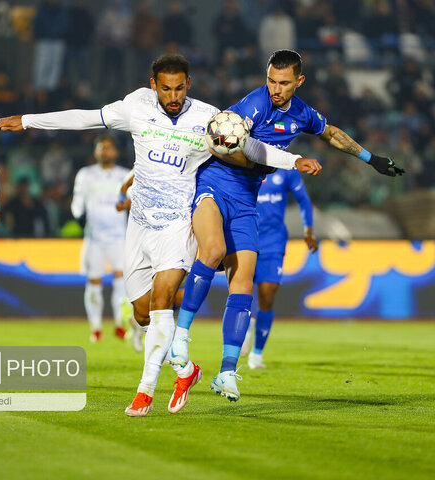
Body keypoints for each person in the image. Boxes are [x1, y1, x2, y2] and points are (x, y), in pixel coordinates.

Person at [0, 53, 321, 417]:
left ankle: (144, 392)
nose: (174, 95)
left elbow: (248, 146)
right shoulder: (135, 106)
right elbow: (86, 119)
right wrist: (26, 120)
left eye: (180, 87)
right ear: (154, 86)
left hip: (179, 223)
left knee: (164, 298)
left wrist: (293, 161)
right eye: (166, 88)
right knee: (143, 314)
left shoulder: (207, 118)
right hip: (140, 224)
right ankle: (186, 369)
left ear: (188, 85)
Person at [169, 49, 403, 402]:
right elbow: (225, 147)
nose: (275, 89)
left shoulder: (302, 113)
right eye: (271, 81)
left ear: (299, 82)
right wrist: (285, 162)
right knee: (214, 250)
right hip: (215, 185)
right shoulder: (253, 105)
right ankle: (179, 338)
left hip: (247, 199)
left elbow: (332, 134)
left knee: (244, 282)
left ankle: (228, 372)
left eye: (283, 83)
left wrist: (373, 160)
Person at [242, 169, 318, 369]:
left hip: (273, 241)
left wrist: (308, 229)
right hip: (245, 236)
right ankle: (247, 323)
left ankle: (257, 355)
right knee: (243, 291)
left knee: (267, 295)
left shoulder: (287, 169)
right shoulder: (244, 161)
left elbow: (303, 200)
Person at [71, 134, 131, 343]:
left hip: (119, 237)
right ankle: (95, 328)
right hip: (94, 238)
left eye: (108, 148)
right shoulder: (86, 174)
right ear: (95, 151)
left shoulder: (125, 175)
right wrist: (78, 215)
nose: (104, 151)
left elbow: (131, 202)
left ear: (115, 152)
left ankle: (119, 324)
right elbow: (78, 200)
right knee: (94, 282)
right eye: (101, 147)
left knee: (121, 282)